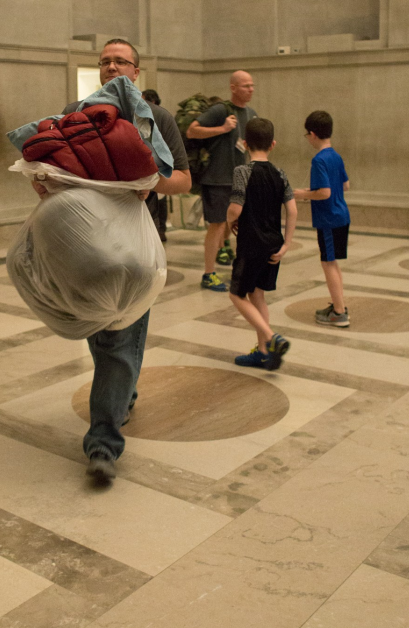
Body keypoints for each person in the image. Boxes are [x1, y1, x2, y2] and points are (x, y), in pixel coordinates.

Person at [36, 38, 191, 483]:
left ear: (136, 72)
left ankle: (103, 441)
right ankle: (122, 394)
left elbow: (182, 180)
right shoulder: (76, 110)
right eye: (105, 61)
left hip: (138, 250)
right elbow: (51, 162)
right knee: (100, 333)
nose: (111, 66)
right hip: (86, 245)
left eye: (120, 60)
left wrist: (148, 180)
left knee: (119, 339)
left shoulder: (156, 117)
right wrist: (44, 178)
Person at [227, 117, 297, 369]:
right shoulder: (280, 173)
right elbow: (292, 210)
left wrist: (228, 223)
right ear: (273, 144)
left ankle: (271, 338)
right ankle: (264, 352)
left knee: (236, 294)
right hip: (273, 246)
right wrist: (287, 244)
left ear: (245, 144)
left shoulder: (242, 172)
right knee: (258, 296)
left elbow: (235, 209)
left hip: (250, 246)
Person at [186, 70, 256, 291]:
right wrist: (222, 128)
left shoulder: (251, 114)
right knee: (217, 225)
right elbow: (191, 131)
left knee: (235, 223)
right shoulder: (220, 110)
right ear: (233, 88)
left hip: (240, 178)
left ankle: (234, 259)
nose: (250, 89)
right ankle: (209, 274)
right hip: (217, 178)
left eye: (252, 85)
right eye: (245, 86)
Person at [293, 110, 350, 327]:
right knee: (333, 264)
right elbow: (345, 185)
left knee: (328, 264)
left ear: (313, 134)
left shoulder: (319, 160)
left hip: (328, 219)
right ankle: (339, 305)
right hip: (342, 215)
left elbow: (324, 192)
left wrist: (302, 194)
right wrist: (313, 190)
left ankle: (338, 313)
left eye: (306, 134)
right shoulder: (335, 156)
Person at [142, 88, 169, 242]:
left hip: (156, 166)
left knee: (157, 199)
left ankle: (160, 230)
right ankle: (160, 230)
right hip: (155, 166)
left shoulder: (160, 118)